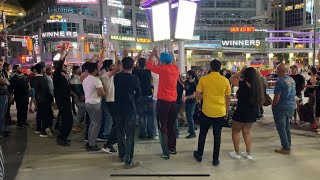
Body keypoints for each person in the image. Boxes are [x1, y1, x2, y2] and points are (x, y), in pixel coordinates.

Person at [193, 59, 231, 166]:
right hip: (220, 111)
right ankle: (215, 159)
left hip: (206, 111)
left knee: (203, 134)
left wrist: (204, 98)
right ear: (220, 68)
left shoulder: (204, 79)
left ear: (210, 67)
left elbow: (197, 95)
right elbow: (228, 98)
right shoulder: (225, 80)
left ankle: (199, 154)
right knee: (217, 136)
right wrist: (226, 111)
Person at [146, 50, 179, 159]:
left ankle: (165, 152)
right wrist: (171, 56)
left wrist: (151, 55)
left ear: (162, 62)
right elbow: (170, 62)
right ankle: (172, 148)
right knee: (172, 125)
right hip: (173, 102)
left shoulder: (162, 69)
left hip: (163, 102)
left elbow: (149, 65)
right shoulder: (175, 69)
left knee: (163, 126)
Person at [228, 67, 264, 160]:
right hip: (253, 112)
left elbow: (231, 79)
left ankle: (236, 153)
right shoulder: (257, 86)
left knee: (235, 131)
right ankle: (248, 153)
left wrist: (240, 71)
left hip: (241, 111)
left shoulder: (242, 84)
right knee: (247, 132)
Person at [114, 57, 141, 169]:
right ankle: (128, 161)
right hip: (130, 108)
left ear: (122, 65)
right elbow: (139, 93)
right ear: (132, 66)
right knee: (130, 135)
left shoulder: (116, 77)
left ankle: (122, 154)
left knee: (120, 131)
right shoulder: (134, 78)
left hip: (118, 107)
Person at [272, 64, 296, 154]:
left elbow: (277, 96)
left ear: (281, 71)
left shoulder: (280, 81)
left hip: (281, 107)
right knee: (286, 127)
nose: (276, 72)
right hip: (290, 106)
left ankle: (286, 148)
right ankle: (288, 144)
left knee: (281, 128)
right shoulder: (291, 79)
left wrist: (273, 105)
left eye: (277, 71)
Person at [53, 46, 73, 146]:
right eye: (64, 66)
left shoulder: (63, 76)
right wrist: (62, 55)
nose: (65, 67)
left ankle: (64, 136)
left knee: (68, 119)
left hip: (65, 99)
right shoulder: (57, 75)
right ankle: (62, 137)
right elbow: (60, 66)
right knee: (67, 119)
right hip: (62, 100)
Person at [83, 62, 105, 151]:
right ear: (95, 70)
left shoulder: (86, 79)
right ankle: (92, 144)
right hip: (95, 104)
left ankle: (89, 142)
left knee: (92, 123)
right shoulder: (96, 80)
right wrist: (106, 92)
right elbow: (101, 93)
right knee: (96, 124)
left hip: (88, 103)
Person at [100, 58, 121, 153]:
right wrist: (122, 58)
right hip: (110, 101)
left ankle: (112, 141)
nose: (114, 67)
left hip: (113, 100)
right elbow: (118, 69)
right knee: (116, 123)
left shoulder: (110, 75)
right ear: (108, 67)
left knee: (115, 122)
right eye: (112, 65)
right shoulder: (105, 75)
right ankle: (108, 144)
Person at [133, 57, 154, 139]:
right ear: (145, 64)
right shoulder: (149, 72)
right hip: (149, 95)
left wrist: (136, 57)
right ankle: (150, 133)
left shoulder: (136, 72)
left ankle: (142, 133)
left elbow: (132, 65)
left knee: (141, 115)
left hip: (139, 95)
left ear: (138, 63)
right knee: (150, 115)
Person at [33, 63, 53, 138]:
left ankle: (38, 128)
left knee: (40, 114)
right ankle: (44, 131)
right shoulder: (42, 79)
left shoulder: (35, 78)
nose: (45, 69)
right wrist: (50, 97)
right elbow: (45, 90)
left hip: (39, 99)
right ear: (41, 69)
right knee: (45, 115)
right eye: (44, 68)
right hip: (44, 100)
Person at [182, 70, 198, 139]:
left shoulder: (194, 84)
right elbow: (184, 86)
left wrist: (186, 97)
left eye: (187, 74)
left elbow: (194, 95)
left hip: (192, 102)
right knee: (189, 115)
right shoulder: (186, 82)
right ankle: (193, 127)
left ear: (191, 76)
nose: (186, 75)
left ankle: (192, 133)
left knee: (189, 116)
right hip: (187, 102)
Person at [69, 66, 85, 132]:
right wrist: (80, 96)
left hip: (78, 97)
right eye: (79, 69)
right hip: (78, 98)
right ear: (75, 70)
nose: (80, 70)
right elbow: (75, 88)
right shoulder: (75, 78)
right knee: (81, 112)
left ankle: (77, 125)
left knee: (81, 112)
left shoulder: (76, 77)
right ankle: (75, 125)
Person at [0, 59, 10, 138]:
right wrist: (6, 82)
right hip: (1, 95)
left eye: (1, 65)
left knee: (3, 114)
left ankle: (3, 130)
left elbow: (6, 82)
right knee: (1, 114)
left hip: (4, 94)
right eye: (0, 65)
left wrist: (6, 82)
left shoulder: (2, 72)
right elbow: (4, 82)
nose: (1, 66)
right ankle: (1, 131)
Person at [176, 74, 186, 138]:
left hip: (176, 101)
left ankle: (176, 133)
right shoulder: (179, 83)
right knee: (177, 116)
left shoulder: (176, 83)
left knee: (175, 117)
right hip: (179, 101)